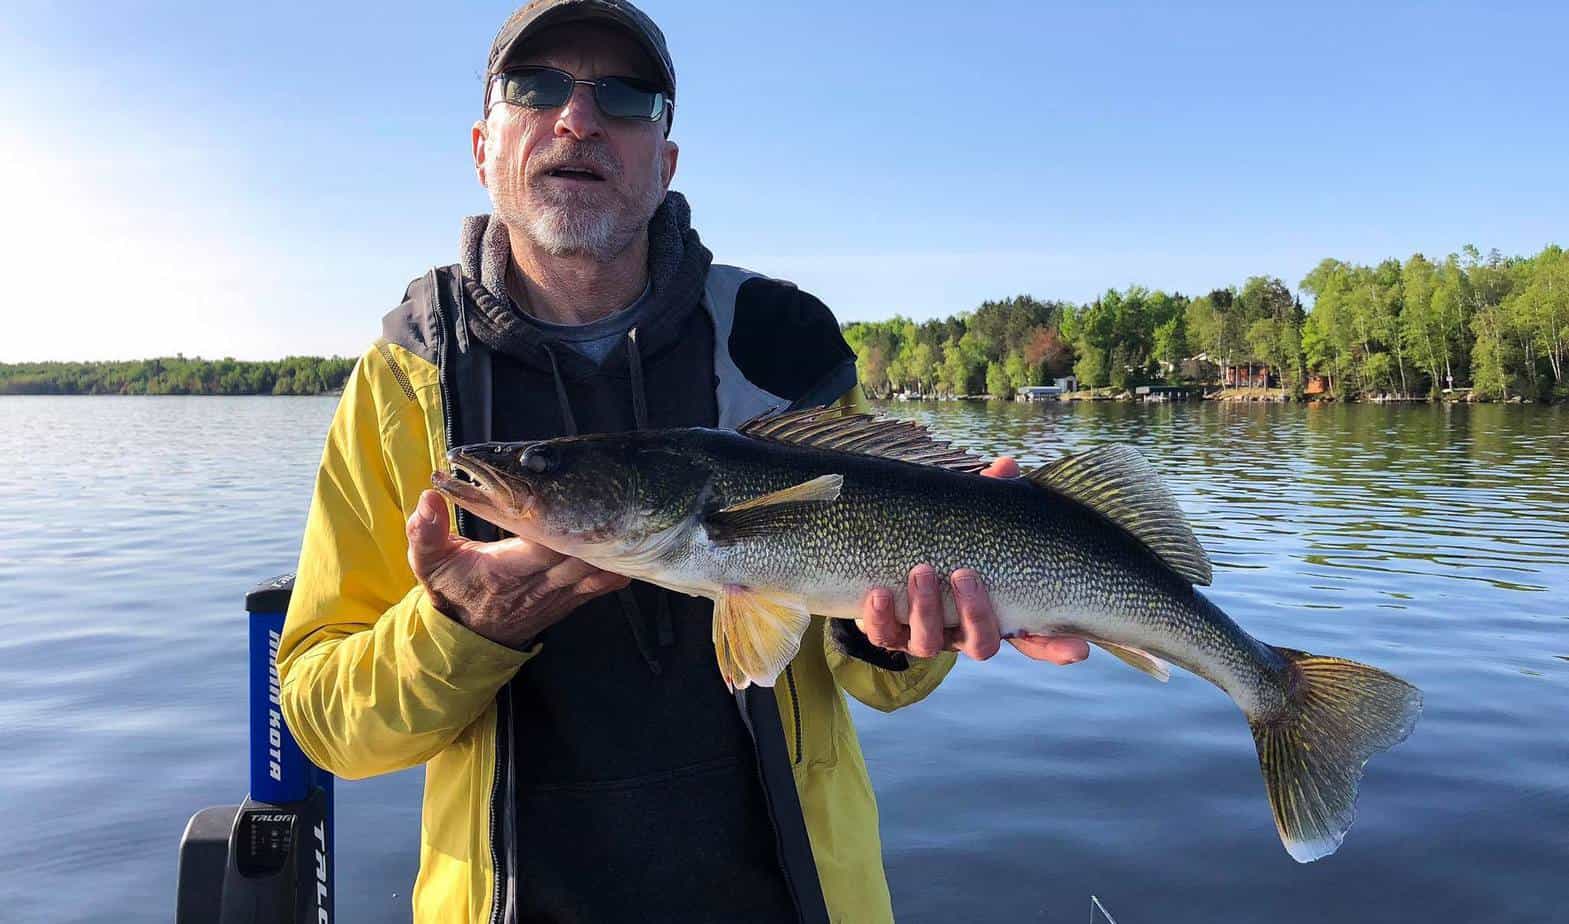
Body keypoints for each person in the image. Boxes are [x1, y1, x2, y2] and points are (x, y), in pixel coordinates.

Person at [277, 1, 1088, 920]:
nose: (577, 119)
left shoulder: (778, 341)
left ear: (664, 162)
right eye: (535, 88)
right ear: (482, 145)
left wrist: (901, 637)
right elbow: (322, 721)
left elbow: (872, 669)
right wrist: (461, 626)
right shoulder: (405, 381)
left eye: (623, 98)